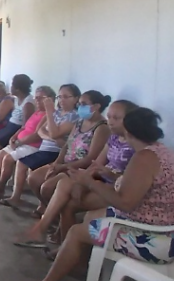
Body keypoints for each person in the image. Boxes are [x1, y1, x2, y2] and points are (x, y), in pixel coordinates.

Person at [27, 108, 174, 281]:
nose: (111, 122)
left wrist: (88, 182)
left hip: (158, 238)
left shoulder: (144, 158)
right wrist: (111, 176)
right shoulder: (159, 151)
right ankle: (79, 263)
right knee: (90, 215)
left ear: (128, 132)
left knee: (76, 231)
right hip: (165, 223)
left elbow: (125, 203)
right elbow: (138, 186)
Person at [16, 100, 139, 248]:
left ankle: (48, 234)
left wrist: (90, 179)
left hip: (113, 187)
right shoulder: (113, 138)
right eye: (110, 117)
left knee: (68, 201)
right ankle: (54, 235)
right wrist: (82, 181)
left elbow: (127, 179)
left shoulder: (135, 145)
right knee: (61, 185)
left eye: (116, 118)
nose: (110, 121)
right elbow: (97, 164)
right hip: (99, 179)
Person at [24, 90, 112, 219]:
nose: (80, 107)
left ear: (97, 106)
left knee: (47, 188)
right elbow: (67, 145)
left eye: (83, 104)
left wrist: (62, 168)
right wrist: (57, 163)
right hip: (64, 163)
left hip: (79, 168)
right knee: (33, 178)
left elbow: (90, 159)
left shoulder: (102, 128)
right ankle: (50, 210)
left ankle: (56, 216)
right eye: (79, 104)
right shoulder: (80, 122)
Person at [0, 84, 81, 208]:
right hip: (44, 148)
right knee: (20, 161)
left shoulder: (74, 116)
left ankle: (30, 201)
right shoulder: (57, 114)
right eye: (60, 96)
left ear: (76, 99)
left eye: (66, 97)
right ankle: (16, 196)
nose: (62, 100)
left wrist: (50, 115)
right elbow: (40, 131)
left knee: (23, 163)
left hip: (55, 152)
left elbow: (54, 133)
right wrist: (52, 136)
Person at [0, 86, 55, 199]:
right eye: (36, 98)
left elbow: (36, 135)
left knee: (8, 158)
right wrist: (13, 137)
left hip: (32, 146)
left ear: (50, 99)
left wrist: (20, 142)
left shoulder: (48, 115)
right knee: (1, 153)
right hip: (21, 142)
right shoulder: (37, 112)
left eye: (41, 98)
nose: (37, 101)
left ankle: (0, 186)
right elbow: (24, 127)